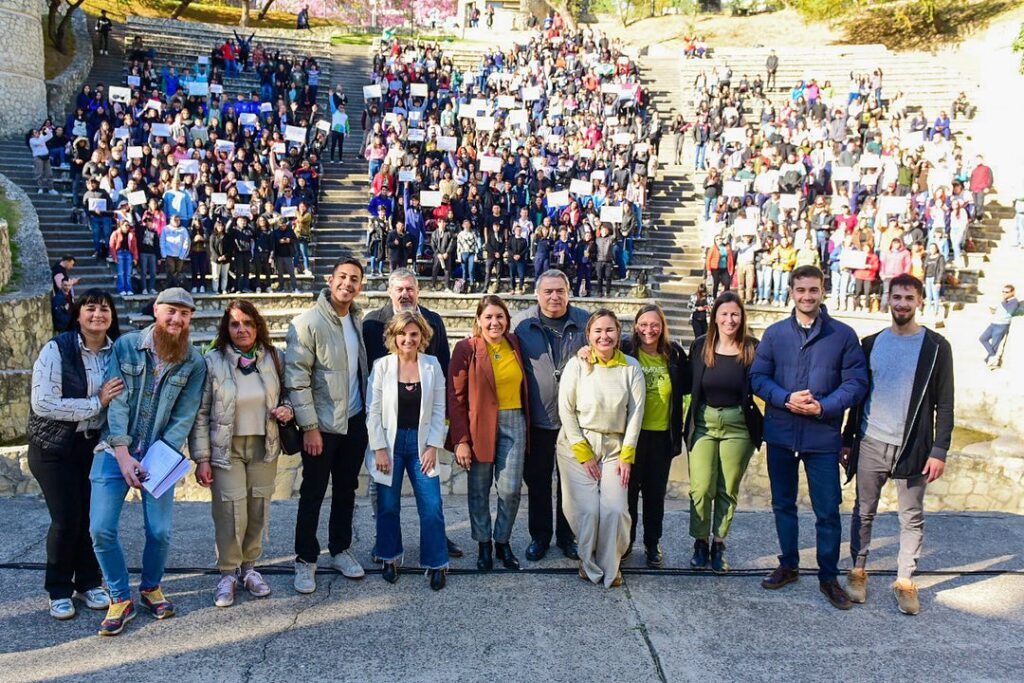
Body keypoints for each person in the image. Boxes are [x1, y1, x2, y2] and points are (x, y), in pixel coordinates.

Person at [89, 288, 207, 636]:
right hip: (114, 450)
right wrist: (124, 454)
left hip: (160, 455)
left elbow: (183, 417)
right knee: (100, 529)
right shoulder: (126, 346)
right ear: (156, 310)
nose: (176, 319)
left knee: (160, 530)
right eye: (171, 311)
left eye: (184, 314)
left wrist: (156, 457)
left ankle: (151, 586)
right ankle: (119, 595)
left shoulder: (194, 361)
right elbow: (118, 401)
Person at [750, 265, 868, 611]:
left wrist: (824, 407)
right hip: (782, 434)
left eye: (813, 290)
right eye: (801, 290)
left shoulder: (843, 336)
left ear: (822, 291)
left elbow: (856, 383)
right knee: (783, 503)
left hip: (822, 436)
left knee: (828, 510)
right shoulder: (774, 335)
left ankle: (828, 577)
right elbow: (758, 378)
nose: (807, 296)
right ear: (791, 292)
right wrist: (786, 398)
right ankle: (788, 564)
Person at [841, 274, 954, 615]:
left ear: (919, 301)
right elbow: (858, 397)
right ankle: (858, 570)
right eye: (897, 297)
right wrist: (848, 439)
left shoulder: (936, 347)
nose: (902, 303)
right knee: (863, 511)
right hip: (872, 439)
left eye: (909, 297)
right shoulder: (871, 343)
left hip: (914, 446)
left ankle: (905, 580)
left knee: (911, 517)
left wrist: (939, 449)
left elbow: (945, 403)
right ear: (887, 299)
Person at [189, 301, 295, 608]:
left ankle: (250, 569)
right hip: (227, 449)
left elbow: (288, 392)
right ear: (227, 329)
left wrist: (287, 408)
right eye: (235, 324)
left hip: (265, 445)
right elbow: (201, 413)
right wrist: (202, 458)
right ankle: (227, 573)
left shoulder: (274, 357)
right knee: (229, 511)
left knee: (258, 508)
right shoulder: (213, 361)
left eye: (247, 323)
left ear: (257, 325)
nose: (242, 329)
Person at [28, 290, 122, 620]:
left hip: (92, 446)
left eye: (104, 309)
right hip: (53, 448)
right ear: (78, 313)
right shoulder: (58, 348)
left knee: (90, 518)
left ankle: (88, 582)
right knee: (67, 518)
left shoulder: (117, 351)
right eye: (90, 308)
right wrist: (96, 402)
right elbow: (43, 403)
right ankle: (58, 589)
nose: (98, 314)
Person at [361, 268, 461, 558]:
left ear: (417, 291)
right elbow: (369, 375)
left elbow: (443, 369)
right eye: (399, 289)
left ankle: (436, 542)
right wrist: (376, 438)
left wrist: (437, 435)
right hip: (387, 424)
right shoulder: (372, 324)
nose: (405, 294)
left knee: (430, 499)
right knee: (384, 498)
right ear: (390, 292)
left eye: (410, 289)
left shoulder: (434, 322)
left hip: (422, 426)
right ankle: (387, 544)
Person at [286, 258, 370, 593]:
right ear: (330, 280)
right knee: (313, 492)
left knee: (346, 490)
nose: (347, 284)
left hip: (353, 420)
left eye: (354, 279)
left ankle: (340, 549)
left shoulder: (357, 319)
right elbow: (296, 379)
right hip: (321, 426)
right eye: (343, 277)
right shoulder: (308, 322)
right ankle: (305, 559)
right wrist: (309, 427)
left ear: (360, 285)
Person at [557, 309, 645, 587]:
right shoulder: (577, 365)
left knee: (615, 509)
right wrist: (583, 453)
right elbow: (566, 410)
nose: (604, 336)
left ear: (619, 334)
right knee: (587, 511)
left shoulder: (631, 367)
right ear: (589, 335)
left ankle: (611, 566)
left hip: (616, 448)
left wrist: (627, 455)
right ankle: (589, 563)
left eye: (609, 330)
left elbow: (635, 413)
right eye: (598, 331)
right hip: (576, 445)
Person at [366, 311, 449, 590]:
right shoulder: (382, 366)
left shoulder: (432, 365)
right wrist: (378, 449)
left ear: (422, 336)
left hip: (421, 445)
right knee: (388, 505)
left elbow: (439, 409)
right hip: (389, 445)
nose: (408, 339)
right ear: (393, 336)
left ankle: (437, 562)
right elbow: (373, 411)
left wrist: (433, 445)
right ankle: (389, 556)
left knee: (432, 505)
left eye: (414, 334)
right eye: (402, 334)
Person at [448, 295, 531, 572]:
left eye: (499, 316)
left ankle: (502, 542)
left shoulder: (516, 344)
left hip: (514, 420)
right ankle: (483, 543)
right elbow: (455, 397)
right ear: (478, 320)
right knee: (479, 489)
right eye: (489, 317)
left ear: (507, 319)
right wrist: (461, 440)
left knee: (510, 489)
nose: (494, 322)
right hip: (479, 423)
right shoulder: (466, 348)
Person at [512, 270, 588, 562]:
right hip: (538, 421)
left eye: (560, 291)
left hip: (574, 422)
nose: (554, 297)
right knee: (538, 482)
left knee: (570, 484)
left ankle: (568, 537)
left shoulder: (584, 322)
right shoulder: (521, 324)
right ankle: (540, 537)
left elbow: (611, 342)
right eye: (548, 292)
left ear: (569, 292)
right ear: (537, 294)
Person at [684, 292, 763, 573]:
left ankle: (718, 543)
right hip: (704, 422)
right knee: (701, 487)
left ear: (741, 318)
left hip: (738, 425)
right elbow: (681, 378)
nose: (730, 320)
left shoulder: (752, 348)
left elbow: (766, 382)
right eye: (724, 314)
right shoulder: (701, 347)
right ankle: (700, 541)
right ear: (715, 316)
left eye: (735, 315)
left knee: (727, 488)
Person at [622, 305, 689, 567]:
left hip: (662, 436)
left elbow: (686, 387)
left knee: (654, 495)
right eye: (643, 324)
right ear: (636, 326)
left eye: (655, 324)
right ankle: (626, 542)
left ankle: (652, 543)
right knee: (627, 494)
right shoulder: (626, 350)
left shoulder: (674, 354)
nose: (649, 330)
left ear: (662, 327)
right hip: (632, 437)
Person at [979, 284, 1019, 368]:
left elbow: (1010, 311)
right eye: (1003, 292)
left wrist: (1003, 302)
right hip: (993, 323)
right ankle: (993, 357)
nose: (1004, 293)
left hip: (1001, 326)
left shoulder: (1014, 301)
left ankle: (991, 360)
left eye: (1007, 292)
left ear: (1012, 292)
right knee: (983, 338)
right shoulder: (1005, 301)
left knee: (994, 345)